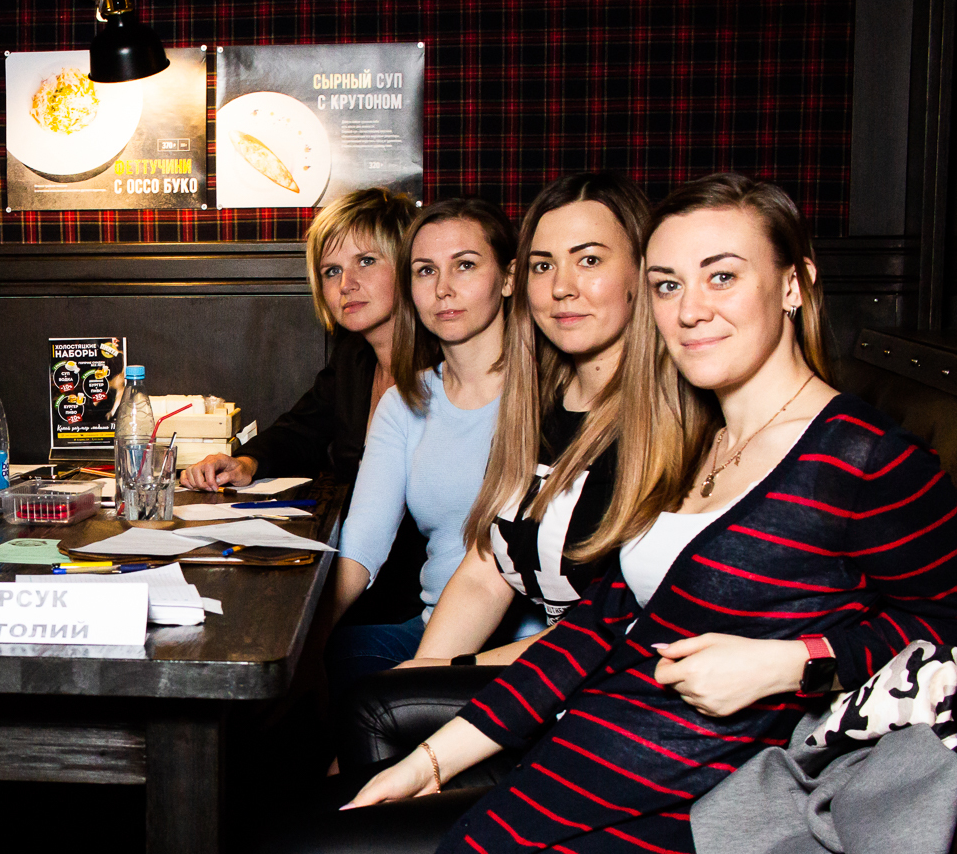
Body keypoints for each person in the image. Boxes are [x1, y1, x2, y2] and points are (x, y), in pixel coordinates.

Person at [261, 175, 957, 854]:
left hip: (685, 800)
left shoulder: (863, 458)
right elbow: (603, 624)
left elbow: (953, 625)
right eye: (672, 283)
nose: (690, 309)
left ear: (794, 284)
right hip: (591, 757)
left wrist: (795, 663)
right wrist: (435, 756)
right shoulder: (697, 436)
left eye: (722, 277)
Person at [396, 172, 702, 669]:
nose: (561, 287)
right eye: (544, 265)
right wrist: (423, 673)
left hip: (617, 682)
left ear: (642, 271)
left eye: (589, 260)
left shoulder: (679, 419)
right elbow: (486, 571)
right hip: (545, 671)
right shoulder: (534, 406)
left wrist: (453, 678)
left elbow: (615, 627)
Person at [319, 196, 518, 679]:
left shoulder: (547, 395)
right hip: (432, 624)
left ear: (509, 278)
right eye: (426, 271)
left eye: (465, 266)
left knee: (379, 697)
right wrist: (305, 640)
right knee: (329, 661)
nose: (443, 289)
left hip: (523, 638)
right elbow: (362, 545)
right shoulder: (406, 400)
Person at [183, 187, 416, 492]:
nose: (346, 284)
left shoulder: (447, 367)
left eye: (366, 261)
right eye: (332, 271)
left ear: (408, 265)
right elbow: (301, 431)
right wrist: (246, 462)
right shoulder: (354, 356)